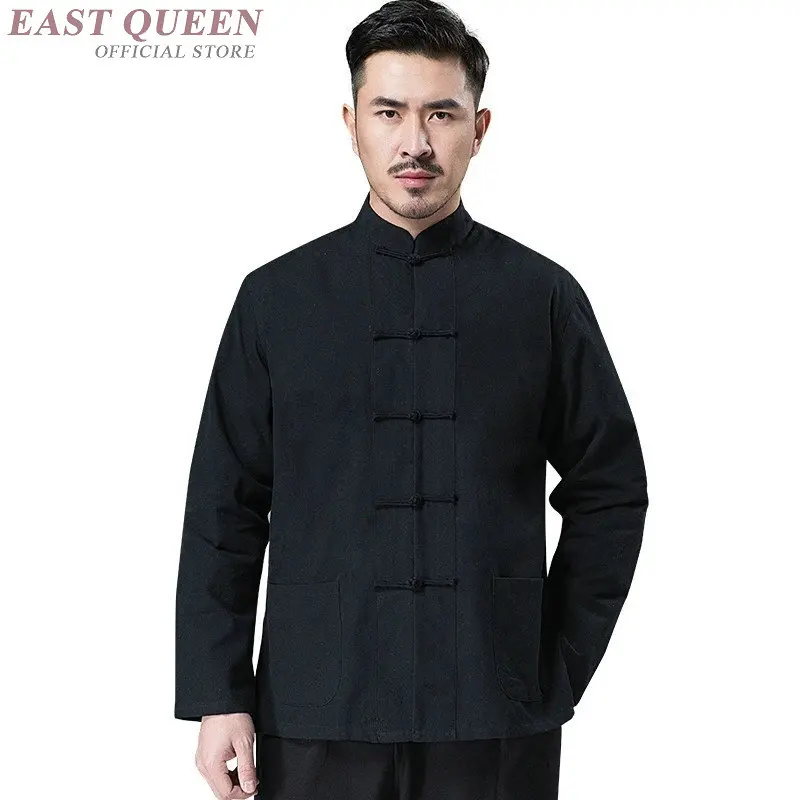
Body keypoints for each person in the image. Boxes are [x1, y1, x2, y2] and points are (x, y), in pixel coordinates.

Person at [174, 1, 649, 798]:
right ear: (352, 123)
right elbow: (225, 506)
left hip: (496, 709)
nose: (415, 142)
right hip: (315, 707)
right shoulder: (276, 299)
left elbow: (612, 490)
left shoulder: (541, 297)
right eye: (389, 112)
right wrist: (218, 693)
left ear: (479, 128)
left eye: (442, 114)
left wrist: (556, 660)